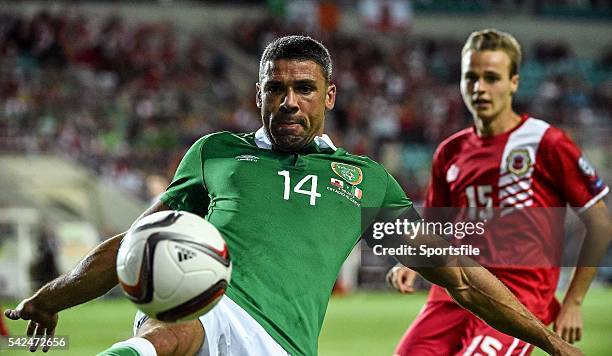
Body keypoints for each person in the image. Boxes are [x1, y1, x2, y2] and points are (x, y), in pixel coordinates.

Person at [6, 35, 583, 356]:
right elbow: (135, 244)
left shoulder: (364, 180)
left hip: (281, 346)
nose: (289, 101)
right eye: (275, 88)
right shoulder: (218, 153)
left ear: (328, 95)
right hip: (208, 305)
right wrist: (54, 296)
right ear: (258, 95)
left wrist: (550, 341)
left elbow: (460, 278)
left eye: (303, 89)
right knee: (172, 327)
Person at [388, 29, 612, 356]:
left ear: (514, 82)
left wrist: (574, 301)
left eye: (491, 78)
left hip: (519, 299)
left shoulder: (546, 142)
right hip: (451, 295)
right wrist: (411, 262)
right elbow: (436, 228)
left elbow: (600, 222)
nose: (479, 88)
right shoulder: (450, 151)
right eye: (471, 78)